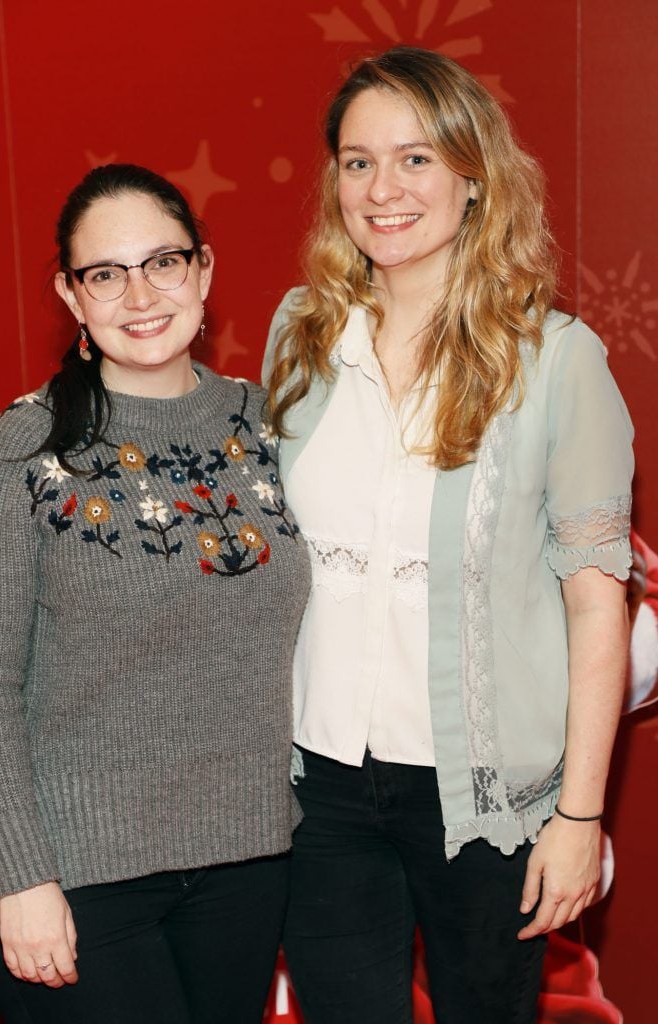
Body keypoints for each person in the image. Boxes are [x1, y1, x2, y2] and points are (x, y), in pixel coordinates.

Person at [262, 47, 633, 1024]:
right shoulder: (299, 335)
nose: (382, 189)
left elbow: (597, 599)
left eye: (415, 158)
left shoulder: (557, 363)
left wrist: (577, 814)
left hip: (483, 802)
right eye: (356, 161)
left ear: (473, 178)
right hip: (318, 786)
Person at [0, 163, 310, 1024]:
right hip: (75, 877)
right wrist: (23, 878)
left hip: (248, 861)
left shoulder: (271, 427)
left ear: (205, 271)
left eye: (163, 263)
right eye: (104, 275)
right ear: (73, 299)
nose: (138, 294)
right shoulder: (28, 445)